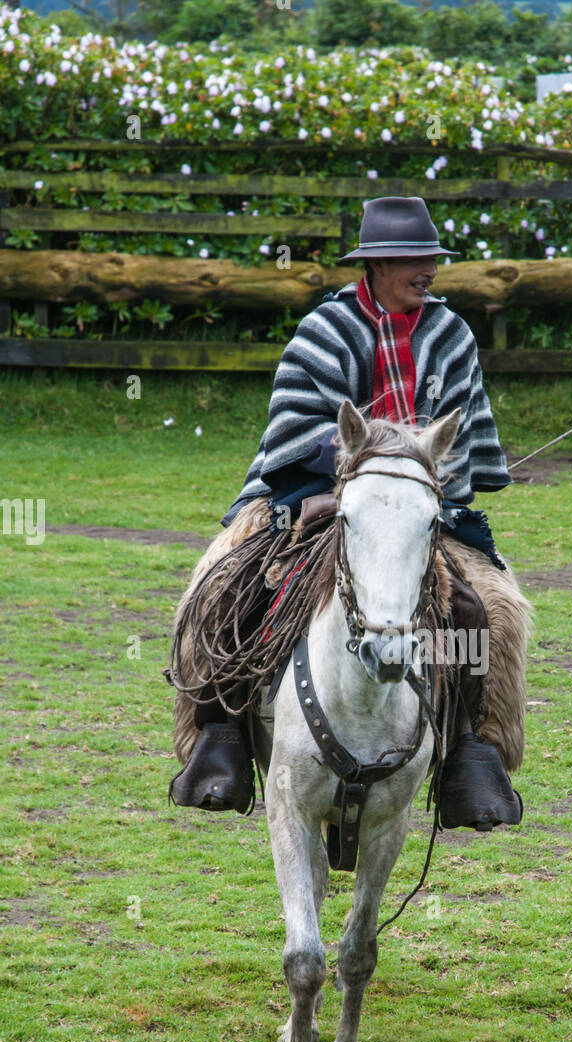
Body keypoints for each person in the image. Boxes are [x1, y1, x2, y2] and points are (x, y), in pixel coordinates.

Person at [170, 196, 528, 830]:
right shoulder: (325, 331)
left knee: (488, 608)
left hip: (419, 507)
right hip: (308, 496)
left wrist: (416, 492)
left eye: (433, 261)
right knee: (227, 581)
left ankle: (472, 749)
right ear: (379, 264)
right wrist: (346, 490)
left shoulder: (451, 335)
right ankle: (219, 735)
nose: (430, 272)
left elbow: (460, 442)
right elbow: (295, 432)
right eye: (417, 262)